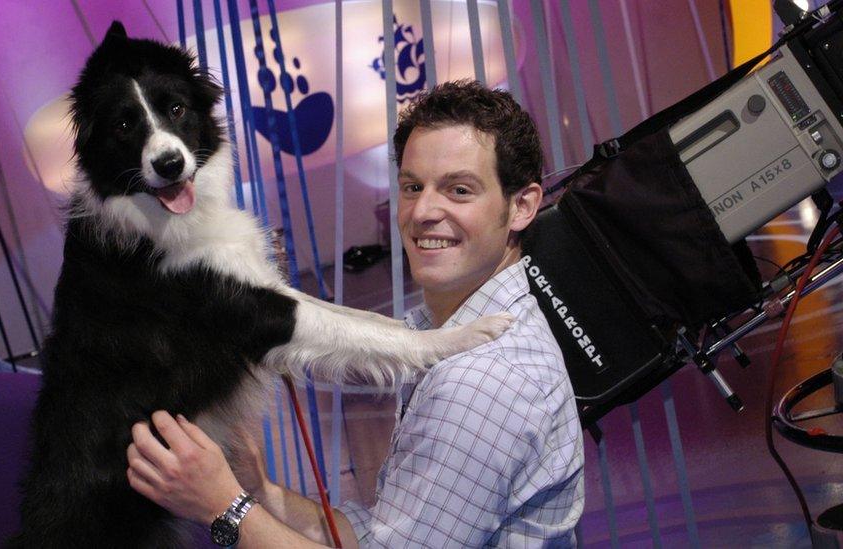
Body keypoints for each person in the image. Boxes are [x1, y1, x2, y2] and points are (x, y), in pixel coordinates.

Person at [127, 80, 584, 547]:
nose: (423, 211)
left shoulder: (480, 380)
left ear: (522, 205)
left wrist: (221, 505)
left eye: (459, 190)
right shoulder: (462, 336)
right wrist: (258, 491)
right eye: (412, 186)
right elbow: (380, 534)